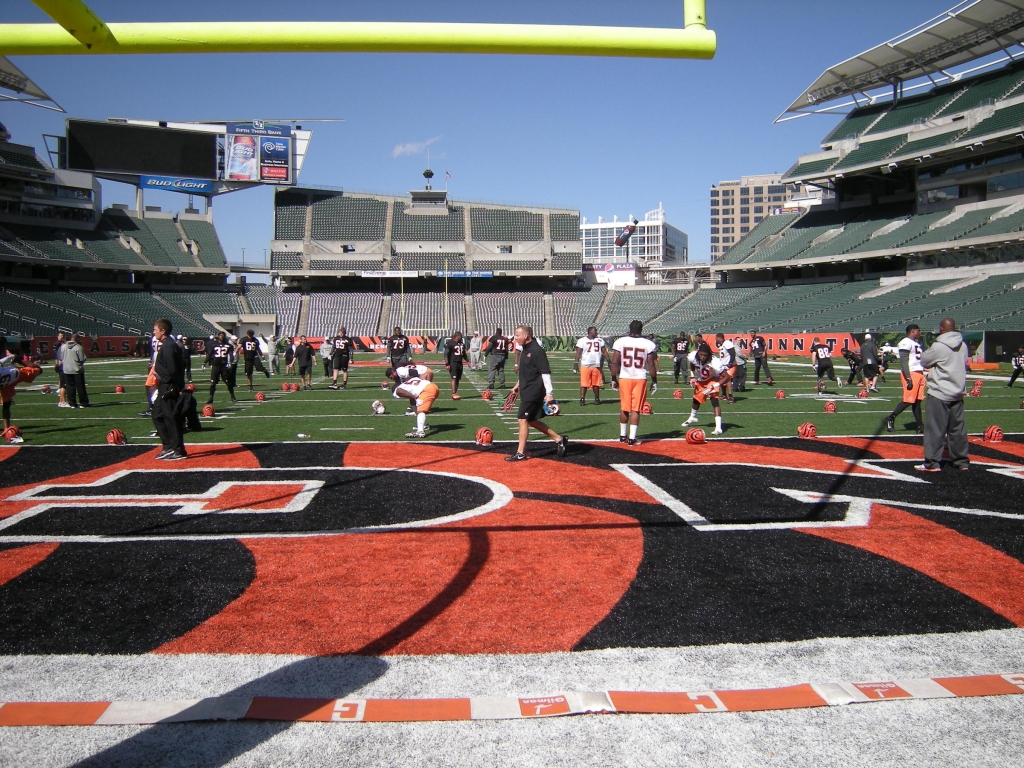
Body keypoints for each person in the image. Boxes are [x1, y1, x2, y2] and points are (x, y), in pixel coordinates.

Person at [505, 325, 567, 461]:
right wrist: (517, 385)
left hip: (534, 391)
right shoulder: (525, 349)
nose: (515, 338)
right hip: (527, 389)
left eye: (517, 336)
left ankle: (520, 453)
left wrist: (549, 393)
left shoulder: (537, 350)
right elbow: (528, 371)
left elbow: (545, 372)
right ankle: (559, 439)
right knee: (531, 420)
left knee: (522, 418)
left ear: (525, 336)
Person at [918, 318, 969, 472]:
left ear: (941, 329)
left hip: (939, 392)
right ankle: (961, 462)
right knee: (958, 430)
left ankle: (932, 463)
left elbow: (924, 361)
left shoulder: (939, 346)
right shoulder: (963, 345)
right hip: (957, 392)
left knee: (935, 430)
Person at [611, 320, 658, 445]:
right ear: (641, 329)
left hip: (624, 377)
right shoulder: (648, 343)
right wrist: (654, 381)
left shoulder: (620, 341)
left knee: (624, 408)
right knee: (635, 409)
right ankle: (632, 438)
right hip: (639, 378)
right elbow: (651, 364)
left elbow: (615, 362)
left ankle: (622, 436)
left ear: (629, 328)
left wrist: (613, 378)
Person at [150, 318, 187, 461]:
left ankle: (179, 450)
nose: (154, 333)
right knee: (157, 415)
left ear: (163, 331)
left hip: (168, 386)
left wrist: (175, 387)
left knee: (172, 418)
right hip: (164, 385)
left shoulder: (169, 346)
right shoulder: (167, 345)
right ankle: (168, 445)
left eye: (155, 330)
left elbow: (174, 370)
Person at [683, 342, 731, 435]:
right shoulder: (694, 356)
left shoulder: (715, 362)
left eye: (705, 355)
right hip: (702, 380)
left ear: (709, 355)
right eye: (700, 354)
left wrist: (715, 385)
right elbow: (692, 363)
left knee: (714, 401)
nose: (702, 357)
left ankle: (718, 428)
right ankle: (692, 417)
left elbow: (727, 377)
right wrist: (692, 376)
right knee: (696, 399)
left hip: (713, 380)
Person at [885, 324, 925, 434]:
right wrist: (908, 377)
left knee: (917, 402)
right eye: (918, 330)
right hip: (911, 373)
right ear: (912, 331)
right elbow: (904, 361)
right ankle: (890, 417)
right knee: (909, 400)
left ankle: (920, 426)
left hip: (919, 373)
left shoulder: (915, 343)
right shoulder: (905, 342)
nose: (919, 332)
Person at [1, 351, 42, 439]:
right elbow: (3, 361)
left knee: (6, 405)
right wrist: (13, 357)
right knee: (38, 369)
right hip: (16, 375)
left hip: (5, 383)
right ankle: (6, 428)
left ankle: (6, 428)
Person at [393, 369, 438, 438]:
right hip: (431, 386)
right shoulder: (410, 381)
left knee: (421, 411)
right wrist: (414, 398)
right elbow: (412, 400)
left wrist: (415, 398)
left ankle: (420, 432)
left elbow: (399, 391)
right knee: (417, 406)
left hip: (427, 390)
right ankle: (424, 425)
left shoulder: (398, 388)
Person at [575, 326, 611, 406]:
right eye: (595, 330)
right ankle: (582, 399)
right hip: (585, 364)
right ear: (590, 331)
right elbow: (578, 352)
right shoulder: (582, 340)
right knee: (584, 383)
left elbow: (604, 351)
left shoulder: (600, 340)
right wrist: (576, 363)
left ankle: (597, 398)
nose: (596, 332)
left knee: (596, 383)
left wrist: (609, 361)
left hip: (596, 364)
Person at [206, 332, 237, 404]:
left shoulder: (228, 345)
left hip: (224, 365)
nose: (221, 337)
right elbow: (210, 354)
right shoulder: (214, 344)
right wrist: (205, 362)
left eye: (222, 335)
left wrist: (231, 361)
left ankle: (232, 396)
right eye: (220, 335)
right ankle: (211, 397)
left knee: (227, 381)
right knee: (213, 382)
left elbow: (231, 354)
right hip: (215, 365)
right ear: (218, 336)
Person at [61, 332, 90, 408]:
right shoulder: (78, 347)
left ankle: (72, 403)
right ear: (77, 339)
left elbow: (60, 357)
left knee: (70, 387)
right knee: (80, 387)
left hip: (66, 369)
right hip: (77, 369)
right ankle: (83, 403)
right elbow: (82, 358)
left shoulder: (63, 346)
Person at [444, 331, 469, 400]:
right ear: (457, 336)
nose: (461, 338)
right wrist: (447, 364)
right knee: (454, 378)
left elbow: (464, 354)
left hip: (460, 363)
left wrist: (468, 361)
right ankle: (453, 393)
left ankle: (455, 393)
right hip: (453, 362)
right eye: (460, 336)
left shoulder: (461, 344)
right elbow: (446, 354)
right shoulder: (450, 343)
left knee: (457, 379)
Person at [53, 331, 70, 408]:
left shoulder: (62, 344)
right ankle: (62, 401)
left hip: (63, 364)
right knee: (64, 383)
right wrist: (56, 363)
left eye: (63, 335)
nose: (62, 337)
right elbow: (56, 355)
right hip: (62, 365)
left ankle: (62, 400)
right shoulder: (58, 344)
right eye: (60, 335)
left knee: (63, 382)